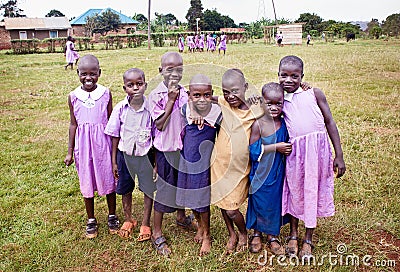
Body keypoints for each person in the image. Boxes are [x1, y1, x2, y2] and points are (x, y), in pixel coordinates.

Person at [278, 55, 346, 259]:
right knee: (295, 190)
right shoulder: (279, 97)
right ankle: (293, 234)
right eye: (284, 75)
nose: (288, 80)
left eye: (294, 76)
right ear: (278, 76)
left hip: (317, 154)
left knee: (312, 192)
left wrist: (339, 155)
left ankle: (308, 238)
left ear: (302, 77)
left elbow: (330, 122)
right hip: (296, 155)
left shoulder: (314, 94)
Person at [64, 54, 119, 239]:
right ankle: (91, 219)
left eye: (93, 74)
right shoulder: (73, 96)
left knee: (108, 178)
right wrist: (70, 151)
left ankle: (112, 215)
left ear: (99, 73)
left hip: (102, 145)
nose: (88, 78)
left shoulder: (105, 94)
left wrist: (115, 148)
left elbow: (112, 122)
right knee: (87, 181)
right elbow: (73, 124)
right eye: (84, 74)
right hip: (84, 146)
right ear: (77, 73)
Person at [210, 68, 264, 254]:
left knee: (232, 209)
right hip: (218, 166)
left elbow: (278, 101)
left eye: (235, 91)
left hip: (239, 170)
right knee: (222, 204)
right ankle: (231, 233)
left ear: (245, 88)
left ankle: (243, 233)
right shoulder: (224, 102)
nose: (230, 96)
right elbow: (207, 96)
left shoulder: (255, 110)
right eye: (226, 92)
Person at [148, 52, 196, 256]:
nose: (175, 73)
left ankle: (180, 216)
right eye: (169, 69)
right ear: (161, 71)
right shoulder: (155, 95)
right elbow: (159, 124)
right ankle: (156, 232)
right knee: (166, 189)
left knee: (181, 185)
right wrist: (170, 100)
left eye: (179, 69)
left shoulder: (185, 93)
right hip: (165, 151)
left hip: (182, 149)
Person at [104, 68, 156, 242]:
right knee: (125, 188)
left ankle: (145, 223)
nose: (135, 88)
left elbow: (156, 137)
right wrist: (114, 162)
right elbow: (114, 136)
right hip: (124, 155)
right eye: (130, 85)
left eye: (139, 84)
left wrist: (155, 163)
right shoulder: (120, 108)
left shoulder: (151, 109)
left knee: (148, 189)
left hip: (145, 155)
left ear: (145, 86)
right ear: (124, 88)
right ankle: (128, 219)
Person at [176, 74, 222, 256]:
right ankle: (201, 227)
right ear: (189, 95)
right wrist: (191, 106)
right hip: (187, 161)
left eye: (207, 95)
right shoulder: (185, 109)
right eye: (197, 95)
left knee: (202, 200)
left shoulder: (217, 112)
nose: (202, 99)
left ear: (212, 94)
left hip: (204, 164)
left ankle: (207, 235)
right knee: (191, 197)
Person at [246, 82, 291, 255]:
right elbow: (252, 150)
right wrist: (275, 147)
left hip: (277, 172)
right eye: (268, 103)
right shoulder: (259, 124)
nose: (273, 107)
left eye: (277, 103)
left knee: (274, 201)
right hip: (260, 173)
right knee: (259, 200)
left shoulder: (285, 123)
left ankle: (272, 235)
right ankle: (256, 233)